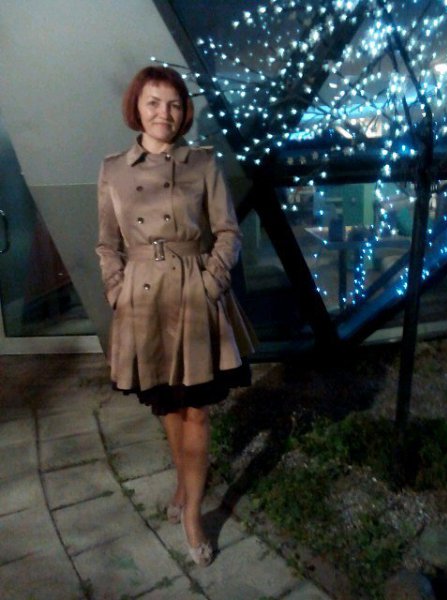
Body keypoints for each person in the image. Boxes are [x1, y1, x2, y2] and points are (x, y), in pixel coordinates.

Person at [96, 65, 255, 567]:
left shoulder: (202, 163)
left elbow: (228, 231)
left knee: (198, 411)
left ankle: (192, 515)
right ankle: (184, 486)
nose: (163, 113)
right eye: (153, 102)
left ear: (184, 111)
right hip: (143, 300)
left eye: (173, 104)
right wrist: (116, 290)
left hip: (193, 292)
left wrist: (211, 282)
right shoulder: (113, 169)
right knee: (168, 407)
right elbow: (107, 243)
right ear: (136, 107)